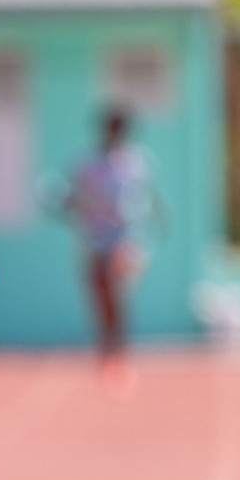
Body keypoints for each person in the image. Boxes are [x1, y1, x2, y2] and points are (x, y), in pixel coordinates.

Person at [63, 106, 157, 383]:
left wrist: (142, 232)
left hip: (125, 239)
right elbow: (75, 198)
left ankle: (119, 351)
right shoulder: (88, 163)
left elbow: (143, 200)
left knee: (116, 290)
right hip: (95, 237)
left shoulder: (137, 162)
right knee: (100, 292)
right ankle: (107, 345)